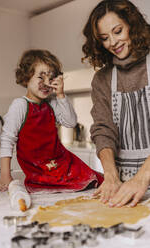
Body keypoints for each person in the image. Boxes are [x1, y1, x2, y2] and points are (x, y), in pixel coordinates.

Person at [0, 49, 103, 193]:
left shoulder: (51, 102)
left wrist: (61, 95)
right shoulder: (20, 105)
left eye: (51, 78)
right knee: (54, 185)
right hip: (38, 166)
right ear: (26, 78)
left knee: (94, 179)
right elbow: (7, 140)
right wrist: (5, 176)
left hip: (61, 159)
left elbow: (70, 122)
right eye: (41, 77)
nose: (46, 83)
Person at [82, 0, 150, 207]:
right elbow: (103, 129)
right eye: (104, 38)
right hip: (125, 186)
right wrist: (110, 175)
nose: (112, 42)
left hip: (139, 181)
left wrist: (142, 178)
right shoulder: (102, 79)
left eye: (118, 31)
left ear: (132, 25)